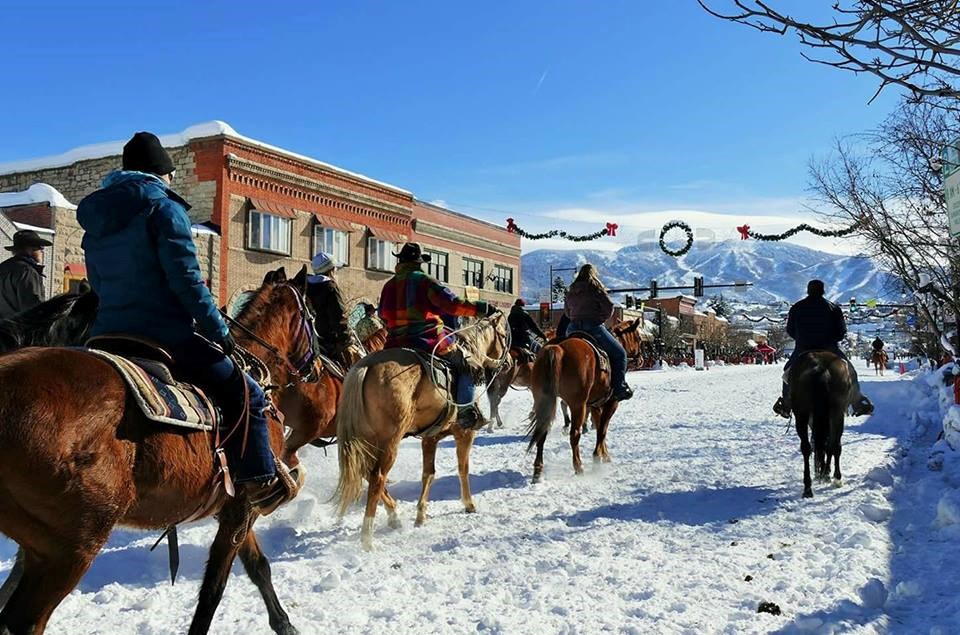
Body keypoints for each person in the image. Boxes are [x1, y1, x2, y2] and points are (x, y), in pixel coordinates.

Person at [76, 131, 298, 515]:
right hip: (163, 335)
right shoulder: (164, 209)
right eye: (171, 175)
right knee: (245, 391)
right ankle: (259, 480)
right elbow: (187, 281)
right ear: (161, 174)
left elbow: (96, 282)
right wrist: (219, 332)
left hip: (106, 336)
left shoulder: (97, 218)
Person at [378, 242, 497, 429]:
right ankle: (466, 411)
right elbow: (453, 304)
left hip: (394, 342)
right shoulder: (425, 281)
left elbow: (382, 315)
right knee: (463, 362)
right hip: (426, 339)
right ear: (419, 263)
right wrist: (482, 308)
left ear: (400, 261)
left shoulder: (388, 285)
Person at [773, 279, 873, 418]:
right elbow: (841, 331)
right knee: (850, 371)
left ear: (808, 290)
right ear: (823, 291)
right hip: (830, 348)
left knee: (788, 373)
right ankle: (857, 402)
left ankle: (786, 404)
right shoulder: (833, 307)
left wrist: (802, 338)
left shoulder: (797, 307)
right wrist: (831, 340)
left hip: (803, 348)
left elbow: (790, 330)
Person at [563, 264, 633, 401]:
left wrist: (574, 317)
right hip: (593, 326)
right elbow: (609, 307)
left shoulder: (571, 291)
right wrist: (600, 319)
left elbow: (566, 311)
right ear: (593, 274)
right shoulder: (596, 289)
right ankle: (619, 387)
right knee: (620, 354)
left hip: (572, 328)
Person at [305, 251, 351, 366]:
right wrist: (346, 338)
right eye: (335, 268)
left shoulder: (306, 287)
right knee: (357, 367)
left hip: (310, 339)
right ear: (331, 270)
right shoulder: (331, 288)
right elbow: (339, 316)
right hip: (331, 341)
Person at [0, 230, 52, 319]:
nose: (42, 252)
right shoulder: (27, 271)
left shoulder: (2, 267)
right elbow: (32, 309)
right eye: (40, 248)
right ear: (29, 249)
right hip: (18, 330)